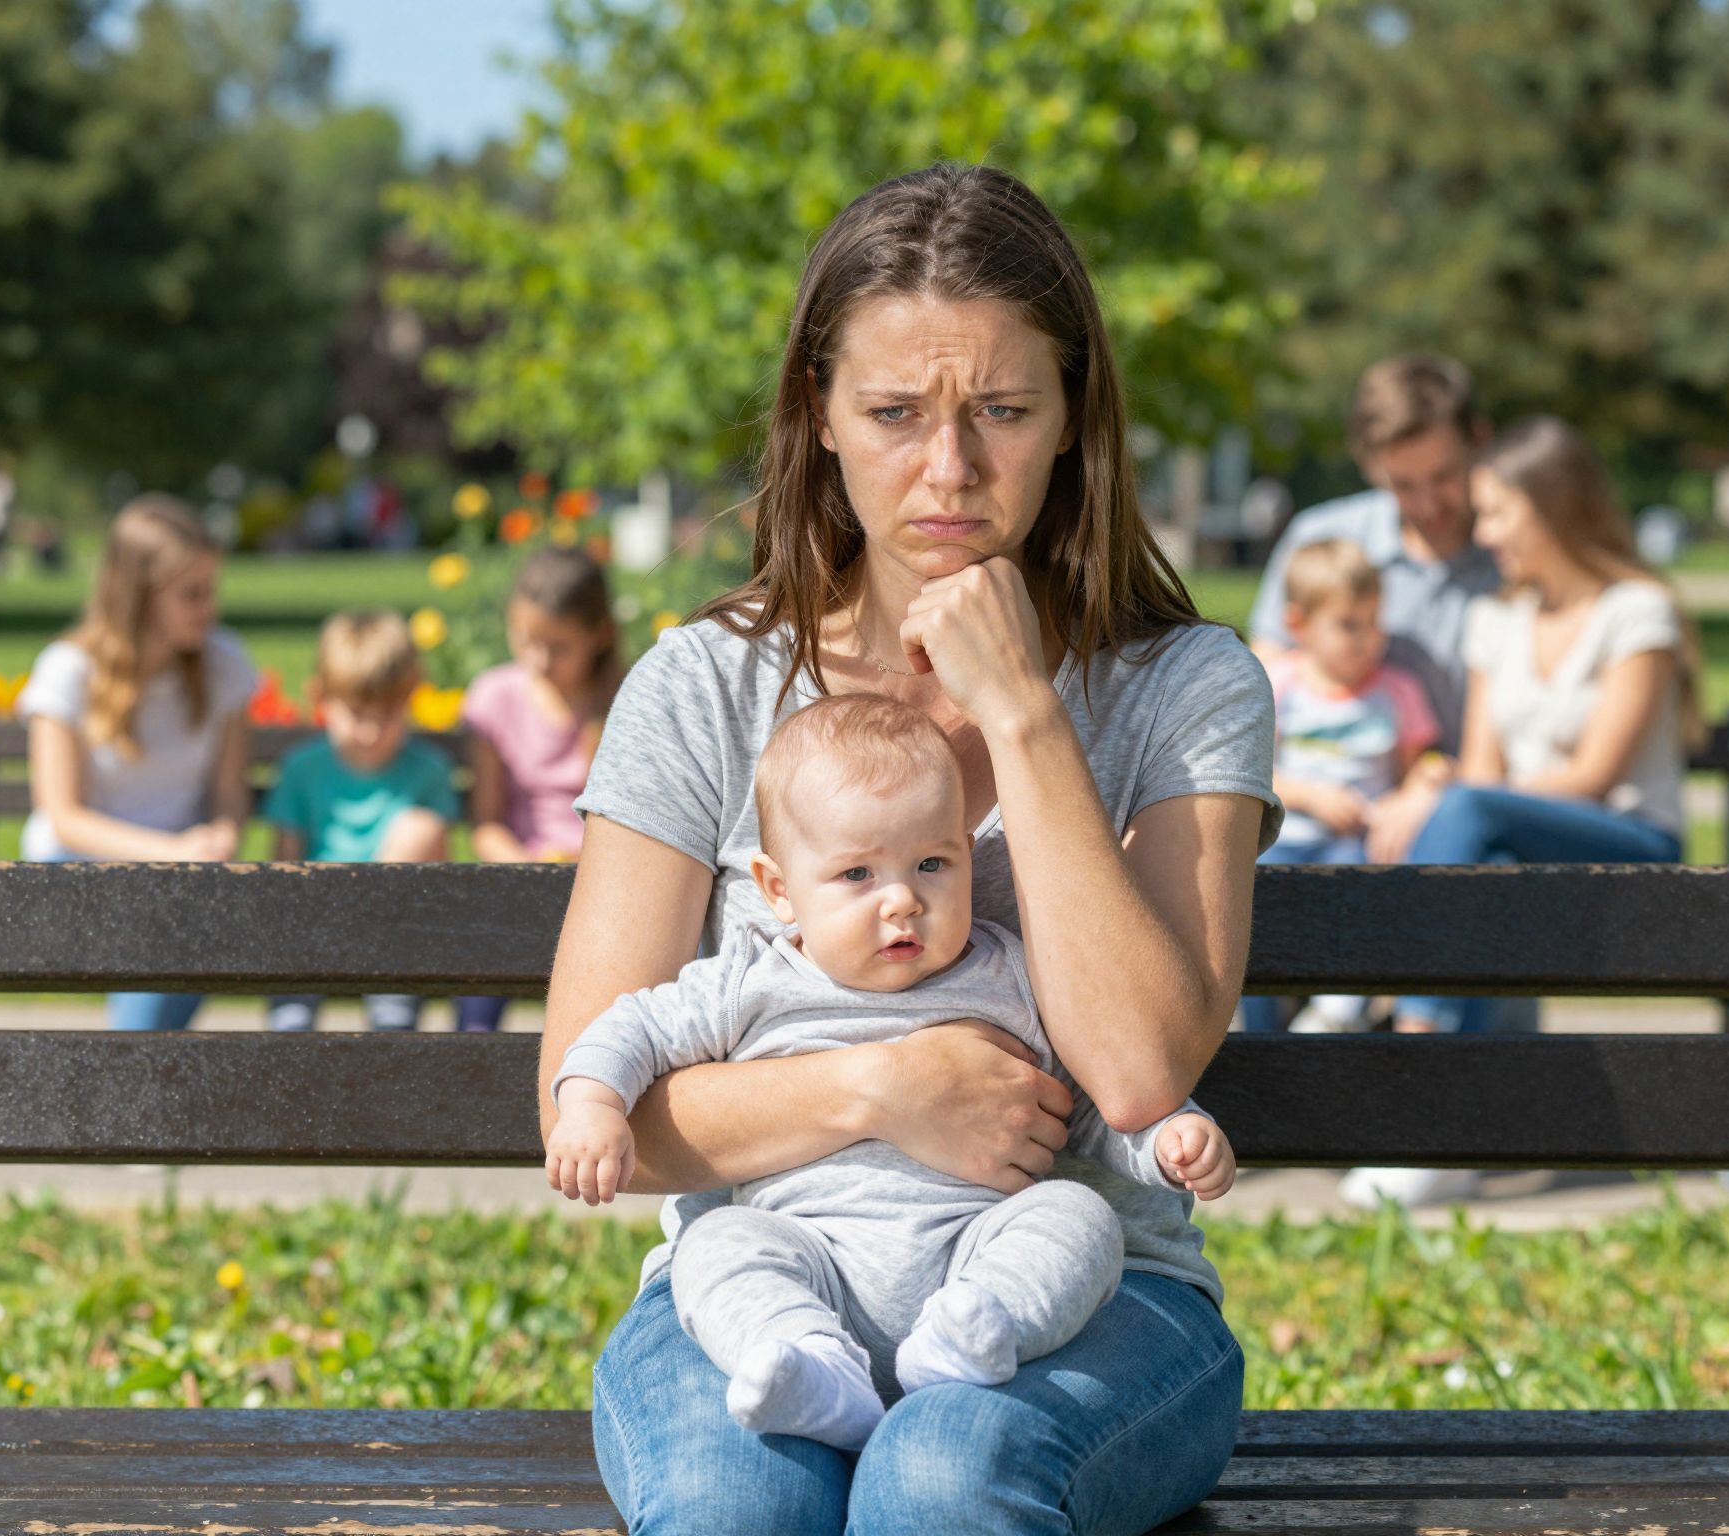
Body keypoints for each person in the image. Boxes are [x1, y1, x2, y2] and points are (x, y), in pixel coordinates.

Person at [544, 164, 1279, 1536]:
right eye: (894, 414)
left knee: (941, 1478)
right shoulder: (703, 686)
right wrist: (888, 1087)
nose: (950, 471)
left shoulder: (1185, 689)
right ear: (818, 415)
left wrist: (1023, 708)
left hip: (1093, 1295)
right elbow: (600, 1107)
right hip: (768, 1282)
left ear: (1075, 422)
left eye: (1003, 411)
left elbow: (1134, 1068)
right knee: (729, 1508)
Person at [548, 696, 1235, 1452]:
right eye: (856, 874)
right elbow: (631, 1027)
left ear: (971, 855)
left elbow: (1090, 1106)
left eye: (933, 864)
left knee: (1079, 1220)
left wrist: (1168, 1140)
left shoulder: (1009, 976)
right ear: (779, 890)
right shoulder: (751, 979)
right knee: (719, 1245)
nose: (903, 899)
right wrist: (590, 1103)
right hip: (808, 1255)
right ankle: (806, 1363)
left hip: (973, 1250)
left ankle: (977, 1334)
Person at [1341, 418, 1697, 1209]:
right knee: (1478, 864)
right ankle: (1453, 1141)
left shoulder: (1638, 614)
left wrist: (1449, 793)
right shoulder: (1495, 621)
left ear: (1553, 506)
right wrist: (1451, 788)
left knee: (1465, 815)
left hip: (1629, 848)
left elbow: (1595, 775)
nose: (1485, 532)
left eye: (1498, 512)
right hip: (1518, 856)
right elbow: (1481, 769)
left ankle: (1415, 1098)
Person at [18, 495, 256, 1032]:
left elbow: (229, 791)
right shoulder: (67, 672)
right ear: (139, 597)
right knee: (165, 927)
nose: (209, 607)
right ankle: (137, 1077)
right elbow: (64, 818)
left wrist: (223, 833)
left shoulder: (224, 664)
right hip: (74, 876)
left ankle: (133, 1080)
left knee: (191, 921)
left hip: (184, 881)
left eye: (211, 589)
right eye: (191, 593)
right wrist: (172, 855)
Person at [1249, 353, 1497, 765]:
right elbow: (1264, 686)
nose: (1428, 503)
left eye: (1444, 477)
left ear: (1480, 441)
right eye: (1402, 484)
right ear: (1369, 465)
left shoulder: (1513, 557)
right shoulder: (1320, 540)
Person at [1242, 540, 1438, 1035]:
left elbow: (1412, 767)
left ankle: (1338, 1009)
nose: (1367, 639)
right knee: (1248, 899)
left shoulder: (1397, 691)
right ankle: (1254, 1021)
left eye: (1374, 623)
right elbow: (1251, 769)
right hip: (1283, 835)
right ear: (1298, 625)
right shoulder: (1278, 683)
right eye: (1348, 625)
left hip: (1356, 837)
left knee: (1366, 889)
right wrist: (1310, 796)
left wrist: (1421, 783)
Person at [263, 610, 459, 1033]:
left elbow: (442, 875)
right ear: (321, 699)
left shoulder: (427, 771)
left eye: (387, 715)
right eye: (356, 713)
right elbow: (283, 869)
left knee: (419, 827)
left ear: (409, 699)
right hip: (312, 922)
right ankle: (290, 1045)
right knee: (290, 1021)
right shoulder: (302, 769)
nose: (371, 732)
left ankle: (391, 1022)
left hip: (395, 930)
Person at [456, 547, 622, 1033]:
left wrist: (583, 865)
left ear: (600, 636)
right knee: (488, 939)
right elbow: (486, 822)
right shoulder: (496, 698)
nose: (539, 660)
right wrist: (523, 866)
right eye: (527, 641)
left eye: (559, 647)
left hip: (602, 880)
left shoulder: (621, 699)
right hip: (519, 876)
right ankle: (472, 1055)